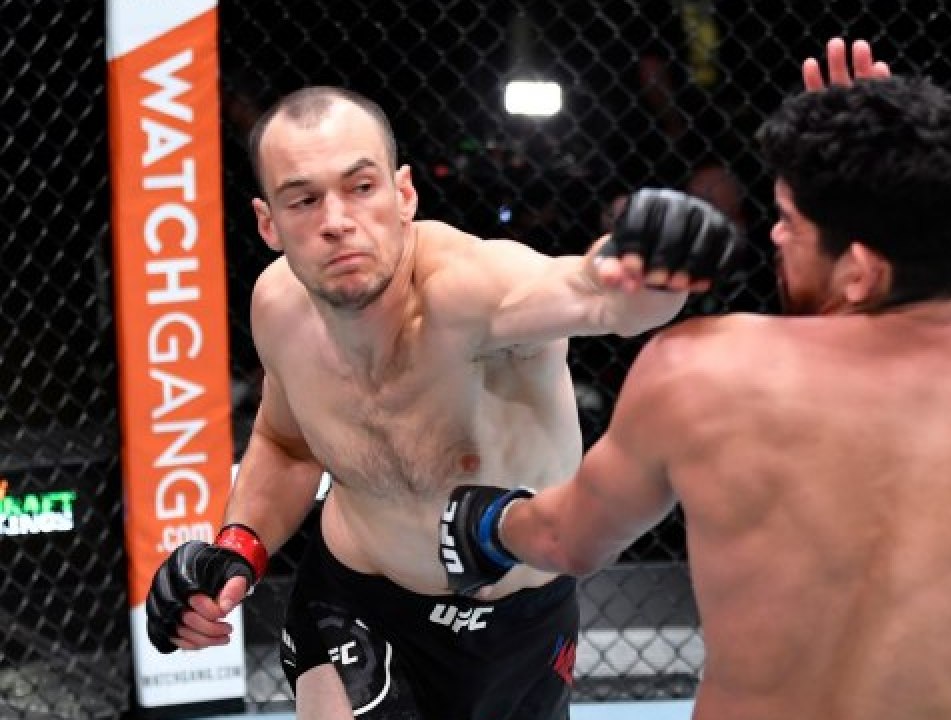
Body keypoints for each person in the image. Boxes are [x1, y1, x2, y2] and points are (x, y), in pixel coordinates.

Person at [438, 39, 951, 720]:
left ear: (860, 271)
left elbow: (568, 541)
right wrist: (892, 164)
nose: (775, 238)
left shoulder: (705, 370)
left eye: (792, 221)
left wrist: (485, 523)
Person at [142, 84, 740, 719]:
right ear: (270, 223)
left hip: (520, 625)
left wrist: (654, 260)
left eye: (360, 187)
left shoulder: (471, 292)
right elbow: (286, 443)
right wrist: (240, 545)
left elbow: (599, 295)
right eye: (305, 200)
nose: (336, 220)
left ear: (403, 195)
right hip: (354, 602)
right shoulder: (280, 308)